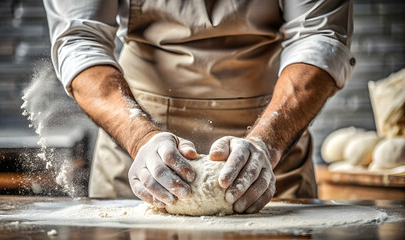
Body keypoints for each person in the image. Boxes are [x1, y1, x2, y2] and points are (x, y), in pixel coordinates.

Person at [44, 0, 354, 213]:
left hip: (276, 134)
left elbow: (319, 35)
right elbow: (79, 39)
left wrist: (267, 142)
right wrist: (140, 139)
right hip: (134, 136)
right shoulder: (137, 141)